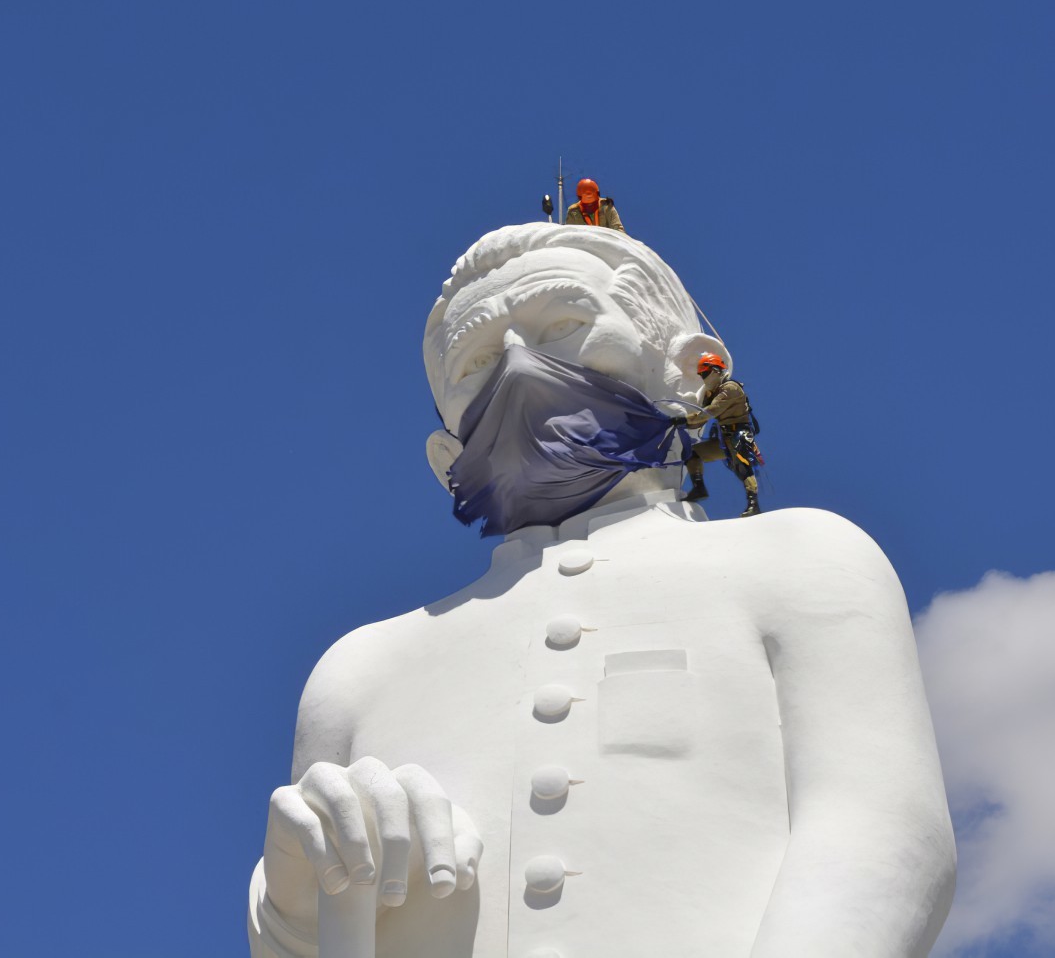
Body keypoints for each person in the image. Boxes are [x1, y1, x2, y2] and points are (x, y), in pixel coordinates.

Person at [245, 223, 955, 958]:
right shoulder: (359, 673)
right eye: (476, 364)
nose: (518, 366)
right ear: (444, 456)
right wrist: (291, 910)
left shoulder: (799, 559)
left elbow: (883, 832)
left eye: (563, 325)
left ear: (686, 370)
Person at [677, 351, 762, 517]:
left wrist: (685, 420)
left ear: (716, 370)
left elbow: (711, 411)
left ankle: (754, 505)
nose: (703, 378)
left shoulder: (730, 388)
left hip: (738, 435)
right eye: (702, 375)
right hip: (724, 439)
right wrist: (680, 422)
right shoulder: (713, 393)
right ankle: (699, 488)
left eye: (705, 373)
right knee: (691, 453)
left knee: (742, 467)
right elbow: (702, 418)